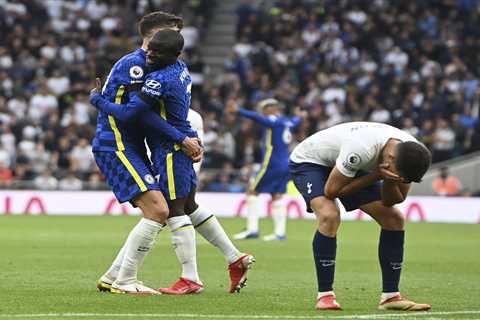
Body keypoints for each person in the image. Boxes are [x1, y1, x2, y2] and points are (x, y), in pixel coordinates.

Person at [91, 29, 255, 295]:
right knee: (187, 204)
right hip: (182, 139)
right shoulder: (180, 67)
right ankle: (234, 257)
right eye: (150, 49)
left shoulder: (157, 77)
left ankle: (189, 278)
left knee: (170, 209)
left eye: (157, 51)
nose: (150, 55)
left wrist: (97, 100)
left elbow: (134, 114)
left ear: (175, 52)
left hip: (171, 146)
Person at [92, 11, 202, 296]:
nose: (177, 36)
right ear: (154, 34)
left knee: (161, 208)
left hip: (133, 145)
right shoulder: (137, 66)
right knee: (160, 209)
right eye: (172, 30)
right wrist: (183, 138)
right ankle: (125, 281)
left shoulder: (166, 66)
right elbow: (134, 115)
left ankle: (113, 275)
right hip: (115, 143)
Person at [289, 122, 432, 311]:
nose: (403, 182)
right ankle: (325, 296)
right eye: (401, 177)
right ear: (390, 158)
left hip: (352, 164)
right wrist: (375, 176)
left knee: (394, 219)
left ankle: (390, 297)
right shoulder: (361, 149)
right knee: (330, 215)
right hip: (311, 161)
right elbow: (331, 191)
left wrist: (389, 180)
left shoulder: (411, 153)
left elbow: (395, 199)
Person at [226, 99, 304, 241]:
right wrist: (299, 116)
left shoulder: (272, 120)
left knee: (252, 191)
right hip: (286, 164)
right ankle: (279, 233)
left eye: (263, 108)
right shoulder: (286, 122)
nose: (262, 112)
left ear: (270, 109)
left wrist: (238, 111)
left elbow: (255, 117)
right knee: (277, 195)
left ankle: (252, 230)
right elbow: (296, 121)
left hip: (271, 163)